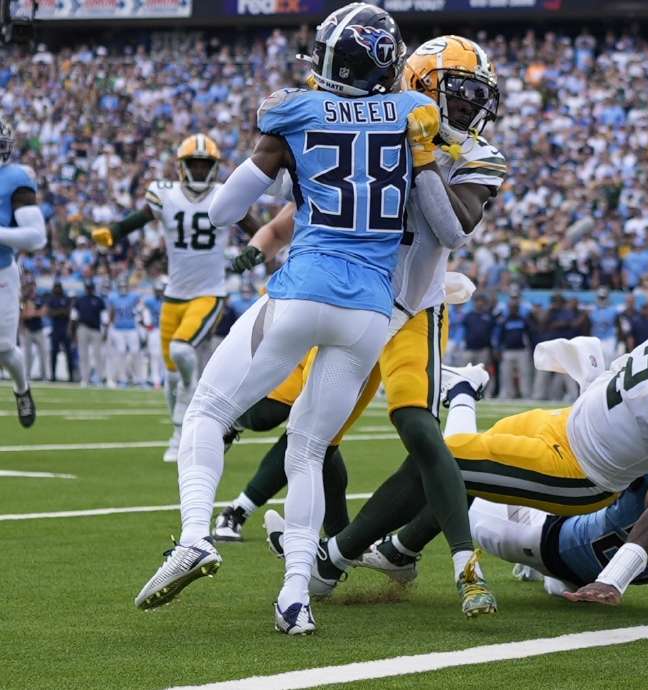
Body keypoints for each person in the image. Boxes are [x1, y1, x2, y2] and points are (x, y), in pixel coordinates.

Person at [135, 3, 436, 636]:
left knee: (208, 412)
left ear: (333, 57)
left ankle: (194, 536)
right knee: (308, 450)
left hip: (303, 291)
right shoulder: (415, 113)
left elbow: (222, 211)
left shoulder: (294, 108)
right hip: (371, 313)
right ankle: (295, 595)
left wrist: (281, 161)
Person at [217, 33, 507, 619]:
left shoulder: (477, 155)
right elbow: (315, 199)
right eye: (462, 91)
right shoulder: (380, 126)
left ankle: (465, 566)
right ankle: (334, 547)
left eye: (480, 95)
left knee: (418, 427)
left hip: (412, 308)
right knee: (278, 418)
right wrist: (267, 239)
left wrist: (423, 157)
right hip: (351, 298)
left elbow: (453, 229)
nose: (474, 106)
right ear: (422, 83)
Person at [306, 273, 648, 612]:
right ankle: (400, 553)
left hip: (578, 473)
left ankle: (332, 561)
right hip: (563, 423)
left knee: (443, 456)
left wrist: (612, 579)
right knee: (466, 461)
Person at [353, 445, 648, 631]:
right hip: (545, 533)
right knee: (462, 475)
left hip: (575, 570)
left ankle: (398, 552)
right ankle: (464, 393)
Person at [91, 134, 260, 459]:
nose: (199, 170)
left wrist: (261, 250)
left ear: (213, 167)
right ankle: (178, 432)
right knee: (169, 375)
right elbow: (141, 218)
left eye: (204, 164)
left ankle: (189, 392)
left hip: (209, 292)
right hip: (174, 294)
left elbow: (255, 228)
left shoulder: (225, 195)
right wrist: (113, 233)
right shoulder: (165, 195)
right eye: (193, 164)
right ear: (182, 167)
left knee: (183, 351)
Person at [0, 116, 47, 427]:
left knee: (4, 348)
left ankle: (21, 388)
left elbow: (37, 236)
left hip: (1, 272)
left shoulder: (15, 178)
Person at [494, 288, 533, 399]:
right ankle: (508, 394)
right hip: (508, 351)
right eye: (512, 307)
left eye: (515, 307)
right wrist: (498, 349)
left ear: (518, 308)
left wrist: (531, 348)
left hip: (522, 350)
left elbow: (530, 335)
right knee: (506, 374)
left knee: (524, 374)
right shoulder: (504, 320)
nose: (513, 309)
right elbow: (499, 336)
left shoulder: (523, 320)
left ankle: (526, 394)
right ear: (509, 308)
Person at [106, 280, 142, 387]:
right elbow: (111, 312)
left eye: (124, 286)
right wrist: (110, 326)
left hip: (131, 328)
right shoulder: (113, 297)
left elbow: (140, 307)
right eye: (121, 286)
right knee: (120, 353)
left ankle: (137, 378)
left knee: (135, 352)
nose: (123, 288)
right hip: (118, 329)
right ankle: (123, 378)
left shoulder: (134, 296)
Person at [71, 281, 105, 387]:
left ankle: (99, 378)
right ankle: (84, 379)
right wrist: (73, 332)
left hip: (96, 329)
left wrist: (105, 331)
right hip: (83, 328)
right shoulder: (80, 300)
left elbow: (104, 317)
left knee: (97, 354)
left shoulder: (99, 300)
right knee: (83, 355)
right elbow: (74, 317)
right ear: (86, 288)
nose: (89, 289)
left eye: (90, 288)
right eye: (88, 288)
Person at [19, 282, 48, 380]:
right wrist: (30, 313)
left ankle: (44, 375)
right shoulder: (25, 299)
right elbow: (23, 315)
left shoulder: (39, 298)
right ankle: (27, 375)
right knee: (27, 354)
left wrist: (32, 312)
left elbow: (43, 312)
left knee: (43, 353)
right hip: (28, 329)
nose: (31, 288)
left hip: (39, 329)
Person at [458, 292, 495, 369]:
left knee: (481, 373)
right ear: (474, 302)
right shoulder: (468, 315)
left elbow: (493, 332)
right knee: (467, 372)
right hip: (469, 349)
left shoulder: (489, 316)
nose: (479, 303)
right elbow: (461, 329)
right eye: (478, 301)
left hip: (483, 350)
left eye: (482, 301)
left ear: (484, 303)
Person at [46, 282, 74, 382]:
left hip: (65, 329)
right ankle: (53, 375)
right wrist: (61, 311)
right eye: (56, 288)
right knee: (54, 353)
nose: (57, 289)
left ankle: (71, 376)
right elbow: (49, 313)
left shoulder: (66, 298)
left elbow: (69, 312)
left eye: (58, 288)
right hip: (56, 329)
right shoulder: (51, 299)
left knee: (69, 354)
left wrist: (58, 312)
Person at [589, 286, 621, 363]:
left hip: (609, 338)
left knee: (608, 362)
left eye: (603, 298)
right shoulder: (592, 310)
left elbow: (619, 326)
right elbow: (589, 326)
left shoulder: (614, 310)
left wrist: (618, 340)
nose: (602, 300)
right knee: (596, 362)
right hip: (596, 338)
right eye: (600, 297)